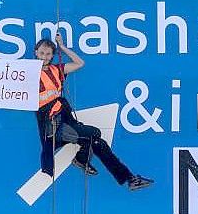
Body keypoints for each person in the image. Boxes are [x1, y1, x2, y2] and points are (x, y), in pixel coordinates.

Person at [34, 34, 154, 191]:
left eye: (48, 53)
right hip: (53, 127)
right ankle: (80, 159)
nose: (45, 57)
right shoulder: (28, 72)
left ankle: (129, 179)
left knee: (98, 143)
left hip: (65, 122)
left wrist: (62, 47)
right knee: (95, 133)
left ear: (52, 55)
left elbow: (79, 63)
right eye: (42, 53)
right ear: (36, 52)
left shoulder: (57, 70)